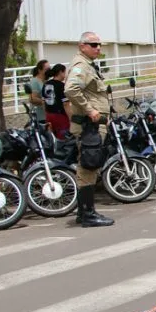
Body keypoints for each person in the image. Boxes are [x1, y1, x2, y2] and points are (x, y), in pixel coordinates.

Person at [64, 32, 114, 228]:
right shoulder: (82, 65)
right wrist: (90, 110)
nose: (98, 48)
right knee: (88, 167)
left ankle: (83, 212)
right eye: (93, 44)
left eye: (99, 44)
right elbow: (71, 89)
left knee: (88, 166)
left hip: (92, 125)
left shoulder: (88, 65)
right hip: (88, 126)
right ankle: (87, 214)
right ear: (82, 46)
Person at [42, 64, 70, 139]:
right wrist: (71, 118)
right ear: (60, 72)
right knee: (64, 139)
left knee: (52, 138)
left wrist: (46, 114)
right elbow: (66, 104)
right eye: (64, 72)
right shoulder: (61, 86)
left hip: (49, 114)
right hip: (60, 116)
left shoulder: (46, 84)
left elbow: (43, 102)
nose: (65, 75)